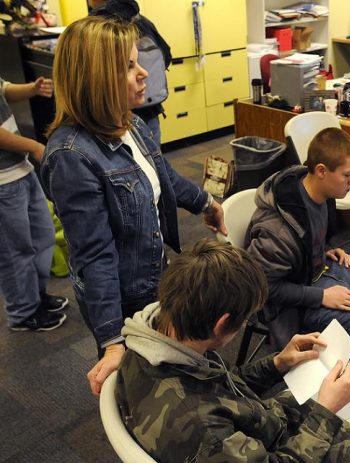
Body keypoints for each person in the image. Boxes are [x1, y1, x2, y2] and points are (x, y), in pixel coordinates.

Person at [116, 238, 350, 463]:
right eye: (245, 320)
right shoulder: (198, 428)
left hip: (272, 425)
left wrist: (277, 363)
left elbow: (223, 387)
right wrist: (324, 412)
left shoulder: (157, 335)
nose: (247, 324)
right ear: (219, 324)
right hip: (298, 449)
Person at [39, 16, 227, 396]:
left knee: (167, 379)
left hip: (154, 275)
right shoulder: (71, 155)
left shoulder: (130, 122)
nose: (143, 73)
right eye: (128, 66)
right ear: (97, 77)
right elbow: (95, 255)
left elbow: (163, 176)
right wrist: (111, 339)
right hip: (121, 297)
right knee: (137, 391)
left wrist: (205, 202)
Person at [247, 127, 350, 357]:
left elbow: (308, 234)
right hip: (297, 300)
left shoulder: (320, 191)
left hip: (320, 268)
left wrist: (325, 248)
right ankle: (346, 361)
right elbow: (263, 288)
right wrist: (323, 297)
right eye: (348, 174)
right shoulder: (277, 232)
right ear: (321, 170)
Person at [0, 75, 69, 332]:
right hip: (3, 182)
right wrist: (35, 147)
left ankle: (36, 298)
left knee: (42, 237)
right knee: (14, 251)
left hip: (20, 169)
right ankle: (22, 312)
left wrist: (32, 89)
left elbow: (4, 90)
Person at [88, 0, 171, 145]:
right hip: (149, 110)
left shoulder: (96, 28)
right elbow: (166, 55)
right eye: (128, 66)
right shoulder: (142, 21)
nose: (145, 73)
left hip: (116, 116)